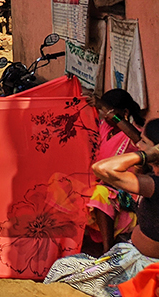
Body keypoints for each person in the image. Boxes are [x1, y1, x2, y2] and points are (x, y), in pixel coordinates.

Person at [44, 119, 159, 296]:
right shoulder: (152, 178)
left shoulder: (154, 185)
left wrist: (145, 156)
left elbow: (102, 168)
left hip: (143, 268)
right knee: (63, 267)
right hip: (130, 256)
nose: (138, 145)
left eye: (144, 142)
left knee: (67, 274)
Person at [88, 90, 146, 252]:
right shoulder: (106, 127)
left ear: (125, 113)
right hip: (101, 181)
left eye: (109, 113)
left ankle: (107, 250)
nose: (105, 116)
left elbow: (138, 139)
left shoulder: (134, 133)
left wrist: (107, 110)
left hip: (125, 190)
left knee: (100, 193)